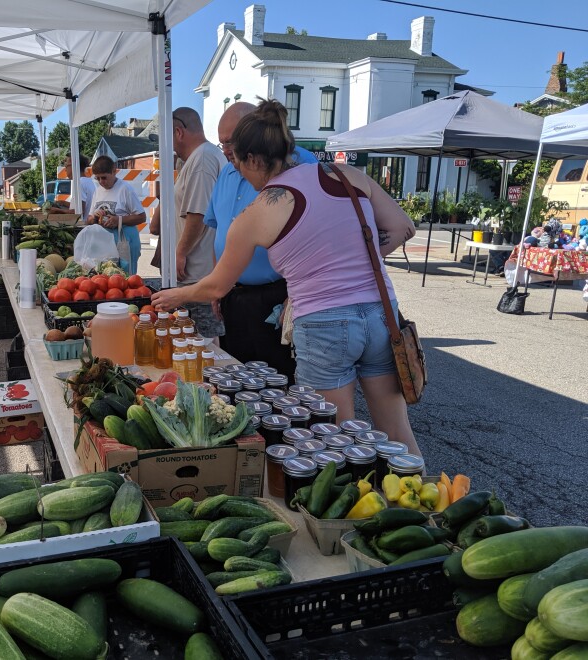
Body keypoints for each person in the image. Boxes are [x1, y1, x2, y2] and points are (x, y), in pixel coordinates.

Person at [152, 100, 420, 454]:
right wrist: (354, 259)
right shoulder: (345, 175)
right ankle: (429, 504)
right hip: (380, 314)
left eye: (237, 161)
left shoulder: (261, 210)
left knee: (330, 437)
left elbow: (218, 285)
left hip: (324, 323)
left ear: (252, 160)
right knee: (397, 432)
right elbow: (403, 226)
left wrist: (176, 296)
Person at [205, 101, 318, 376]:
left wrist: (296, 293)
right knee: (236, 375)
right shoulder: (226, 171)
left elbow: (315, 237)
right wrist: (217, 283)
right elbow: (217, 231)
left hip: (277, 297)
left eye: (232, 141)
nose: (228, 151)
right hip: (234, 296)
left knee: (278, 381)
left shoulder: (299, 163)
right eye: (222, 144)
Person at [171, 107, 227, 338]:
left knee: (201, 345)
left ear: (178, 132)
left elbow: (198, 213)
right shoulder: (201, 156)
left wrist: (180, 252)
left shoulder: (202, 159)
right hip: (198, 274)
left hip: (197, 275)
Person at [85, 155, 145, 275]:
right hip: (105, 243)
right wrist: (96, 217)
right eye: (98, 178)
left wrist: (119, 220)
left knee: (126, 277)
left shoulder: (125, 189)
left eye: (104, 178)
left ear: (114, 172)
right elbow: (89, 219)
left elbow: (141, 217)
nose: (101, 182)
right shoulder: (98, 191)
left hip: (125, 241)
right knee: (106, 277)